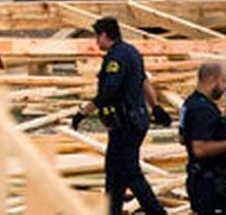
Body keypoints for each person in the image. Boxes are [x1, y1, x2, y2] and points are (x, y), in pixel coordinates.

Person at [72, 17, 171, 215]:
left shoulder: (116, 58)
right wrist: (156, 107)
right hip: (132, 121)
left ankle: (157, 212)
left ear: (104, 35)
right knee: (114, 172)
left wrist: (83, 112)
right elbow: (144, 81)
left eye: (96, 37)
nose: (96, 42)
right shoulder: (132, 52)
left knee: (130, 172)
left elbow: (109, 92)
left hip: (126, 124)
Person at [180, 62, 226, 215]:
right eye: (223, 81)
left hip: (205, 182)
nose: (225, 87)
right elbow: (199, 149)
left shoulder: (190, 103)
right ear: (213, 80)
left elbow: (182, 138)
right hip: (211, 185)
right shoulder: (202, 110)